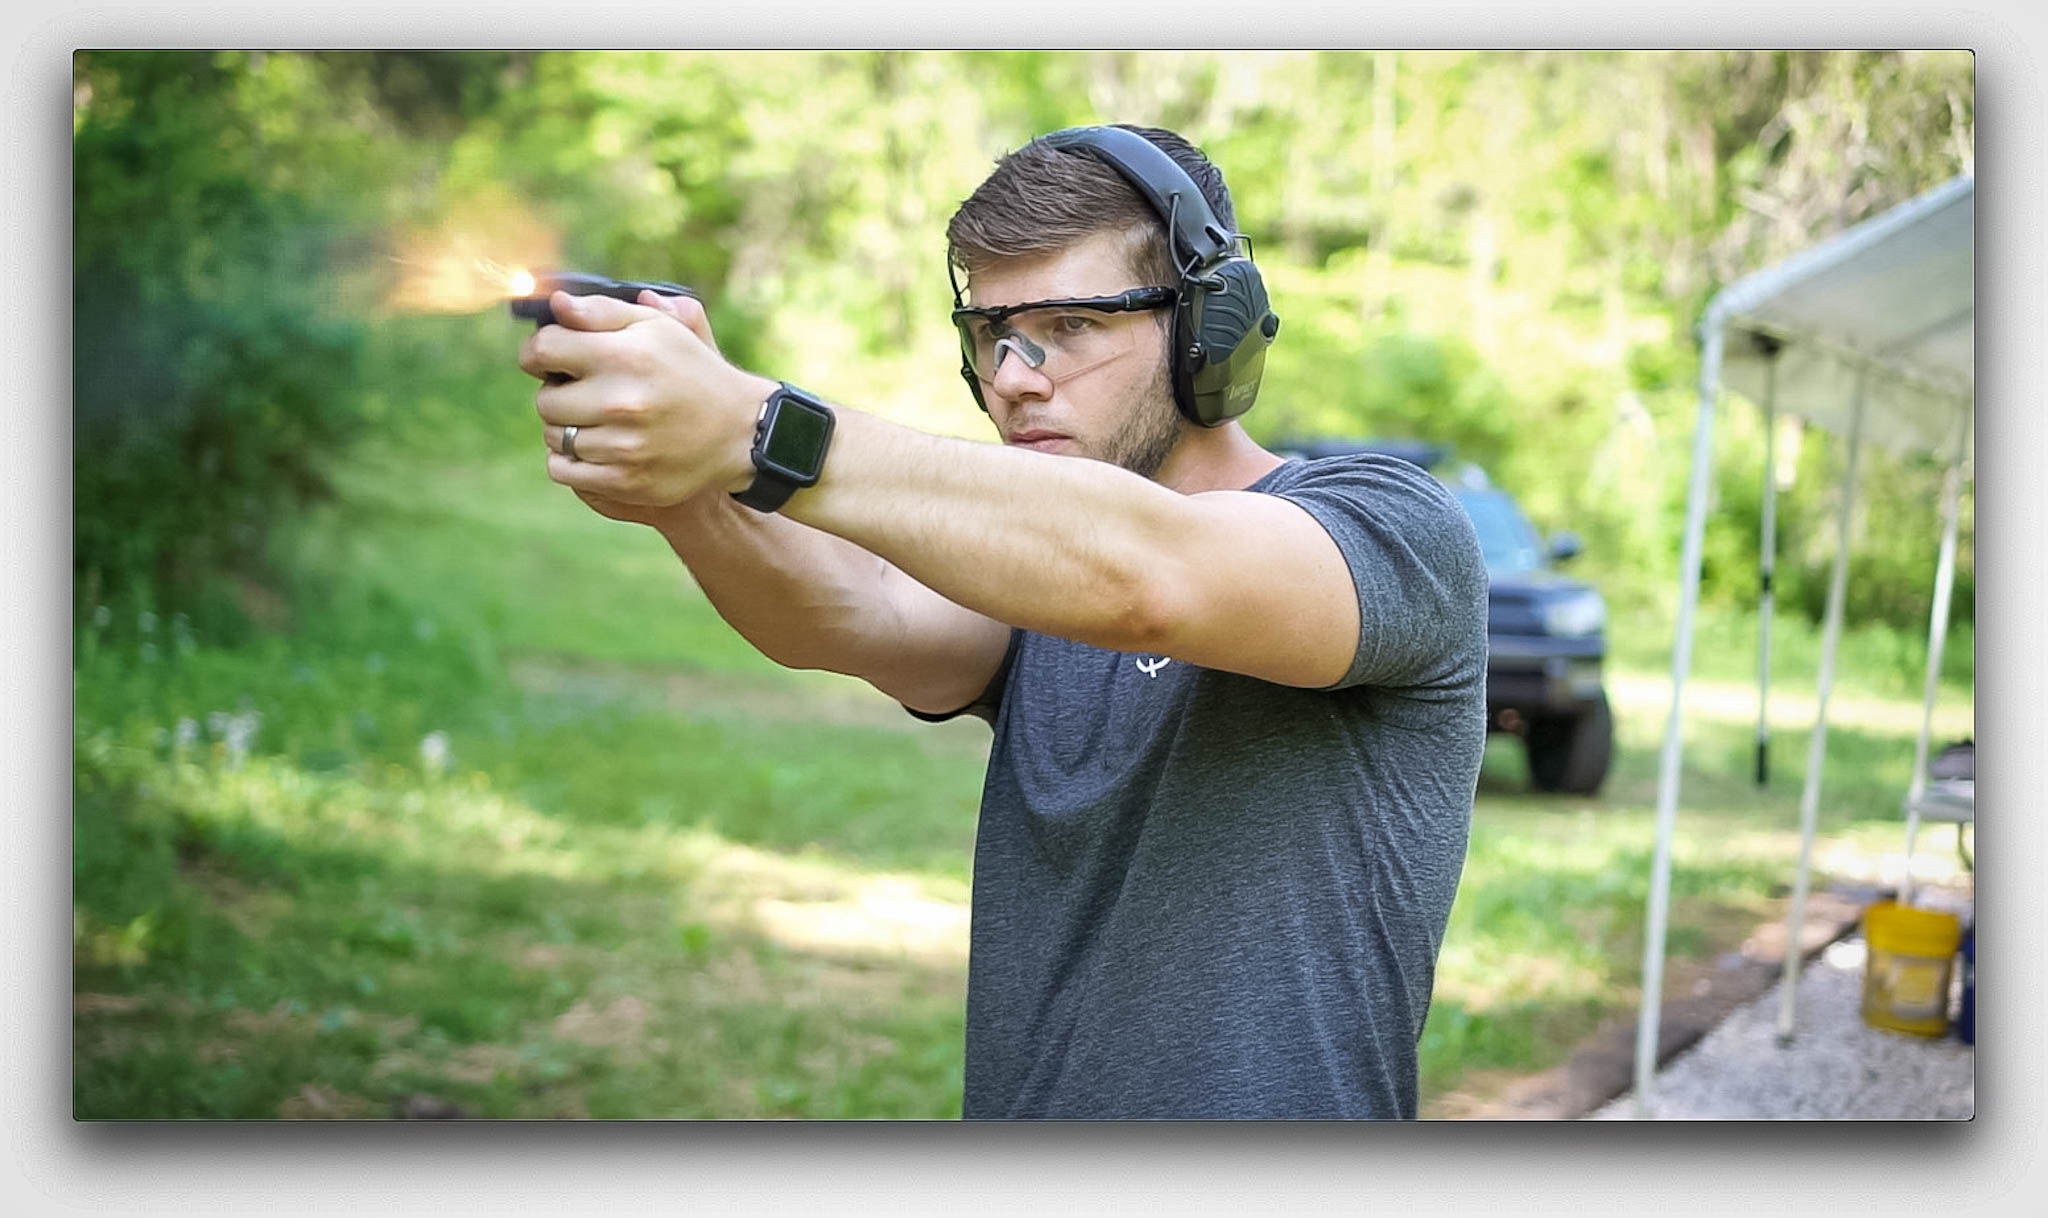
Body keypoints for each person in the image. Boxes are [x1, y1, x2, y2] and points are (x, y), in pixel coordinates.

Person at [516, 123, 1488, 1119]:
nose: (1015, 374)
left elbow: (1154, 579)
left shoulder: (1388, 526)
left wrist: (757, 426)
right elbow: (852, 612)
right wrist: (690, 487)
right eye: (991, 333)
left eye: (1071, 324)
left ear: (1210, 327)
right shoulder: (1036, 567)